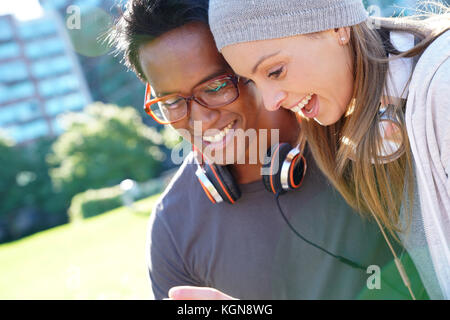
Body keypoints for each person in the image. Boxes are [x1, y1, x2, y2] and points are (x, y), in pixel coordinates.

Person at [109, 0, 427, 300]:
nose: (200, 120)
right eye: (172, 102)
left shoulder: (371, 137)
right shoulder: (173, 230)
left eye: (217, 86)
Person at [208, 0, 450, 299]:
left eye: (274, 71)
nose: (270, 100)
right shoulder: (361, 119)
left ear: (336, 26)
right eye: (252, 80)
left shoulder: (444, 86)